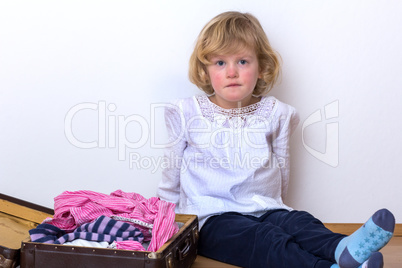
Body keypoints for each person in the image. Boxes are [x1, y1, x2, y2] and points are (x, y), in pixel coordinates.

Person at [157, 11, 395, 268]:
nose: (232, 72)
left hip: (266, 207)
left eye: (243, 62)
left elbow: (282, 167)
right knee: (266, 239)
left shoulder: (275, 113)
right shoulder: (186, 112)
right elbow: (172, 169)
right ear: (204, 71)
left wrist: (277, 208)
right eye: (220, 63)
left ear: (261, 68)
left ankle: (342, 248)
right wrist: (166, 221)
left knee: (300, 223)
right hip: (212, 218)